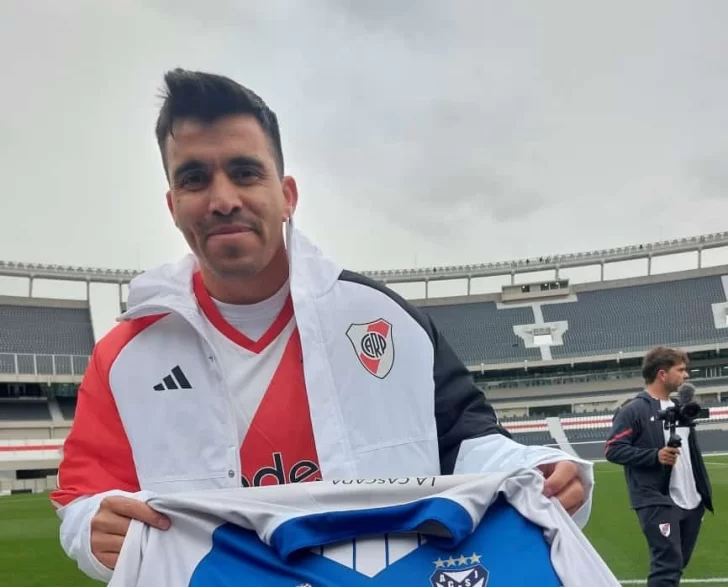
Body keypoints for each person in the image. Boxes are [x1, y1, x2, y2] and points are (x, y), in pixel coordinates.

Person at [50, 68, 593, 582]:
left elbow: (469, 443)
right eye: (195, 179)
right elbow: (85, 498)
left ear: (286, 195)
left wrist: (543, 467)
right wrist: (91, 528)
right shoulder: (125, 355)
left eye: (245, 172)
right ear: (173, 204)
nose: (222, 200)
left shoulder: (384, 320)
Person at [605, 346, 713, 587]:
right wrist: (655, 456)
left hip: (691, 501)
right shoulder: (634, 409)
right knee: (667, 565)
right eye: (681, 370)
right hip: (656, 499)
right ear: (662, 374)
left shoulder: (681, 408)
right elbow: (613, 449)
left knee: (677, 564)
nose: (687, 376)